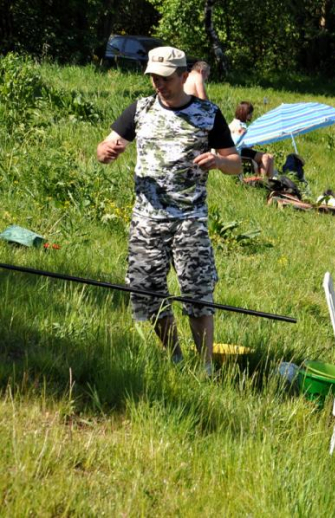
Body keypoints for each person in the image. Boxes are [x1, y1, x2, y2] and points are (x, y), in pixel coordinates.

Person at [96, 47, 241, 376]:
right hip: (146, 219)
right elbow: (103, 147)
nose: (158, 84)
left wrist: (219, 161)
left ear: (182, 75)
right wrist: (106, 151)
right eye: (152, 78)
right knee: (147, 289)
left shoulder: (208, 114)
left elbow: (236, 164)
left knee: (198, 291)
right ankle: (174, 357)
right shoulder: (140, 109)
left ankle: (205, 366)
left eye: (164, 78)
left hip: (190, 219)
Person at [229, 101, 274, 179]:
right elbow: (234, 142)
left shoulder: (240, 124)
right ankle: (262, 180)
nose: (252, 115)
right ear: (245, 114)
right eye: (250, 113)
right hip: (239, 151)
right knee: (266, 157)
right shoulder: (238, 126)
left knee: (271, 156)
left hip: (244, 150)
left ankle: (270, 180)